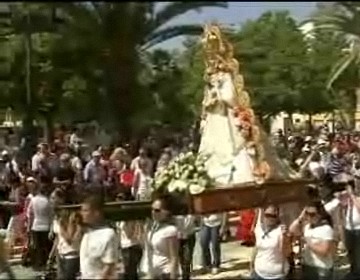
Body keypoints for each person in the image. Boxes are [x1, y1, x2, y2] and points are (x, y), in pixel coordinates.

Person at [289, 201, 336, 280]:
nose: (309, 217)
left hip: (321, 268)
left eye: (312, 214)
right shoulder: (307, 227)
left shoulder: (326, 229)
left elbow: (323, 251)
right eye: (307, 213)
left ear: (320, 215)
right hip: (307, 265)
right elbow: (291, 230)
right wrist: (301, 217)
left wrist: (308, 241)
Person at [79, 195, 118, 279]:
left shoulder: (108, 234)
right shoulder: (87, 233)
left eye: (85, 211)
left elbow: (109, 265)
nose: (82, 214)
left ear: (96, 213)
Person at [142, 194, 179, 279]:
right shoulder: (153, 228)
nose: (153, 213)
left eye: (157, 210)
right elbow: (147, 249)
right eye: (152, 209)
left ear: (166, 212)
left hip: (165, 273)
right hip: (153, 272)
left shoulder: (170, 230)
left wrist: (173, 276)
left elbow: (174, 256)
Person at [250, 205, 290, 280]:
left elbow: (286, 253)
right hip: (258, 274)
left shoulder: (281, 231)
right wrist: (251, 265)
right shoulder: (259, 228)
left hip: (277, 276)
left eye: (274, 216)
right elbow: (256, 248)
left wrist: (285, 237)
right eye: (268, 215)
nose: (270, 218)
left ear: (277, 217)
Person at [27, 184, 53, 271]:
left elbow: (30, 215)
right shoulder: (48, 201)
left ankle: (38, 265)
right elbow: (51, 216)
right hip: (46, 226)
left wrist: (29, 228)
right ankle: (46, 265)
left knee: (38, 247)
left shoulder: (33, 200)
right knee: (46, 248)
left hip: (36, 225)